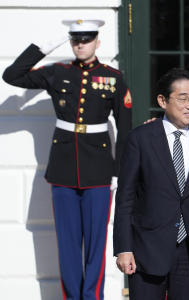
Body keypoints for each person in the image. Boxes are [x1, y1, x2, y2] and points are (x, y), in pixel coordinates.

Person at [2, 19, 132, 300]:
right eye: (75, 40)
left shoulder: (113, 77)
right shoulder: (57, 73)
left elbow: (126, 128)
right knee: (68, 243)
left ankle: (92, 296)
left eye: (86, 39)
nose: (80, 44)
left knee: (96, 244)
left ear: (97, 42)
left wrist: (118, 172)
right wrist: (43, 48)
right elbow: (12, 75)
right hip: (62, 169)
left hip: (99, 170)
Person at [113, 68, 189, 300]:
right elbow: (125, 198)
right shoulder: (140, 138)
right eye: (183, 98)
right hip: (147, 249)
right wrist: (124, 248)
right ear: (163, 101)